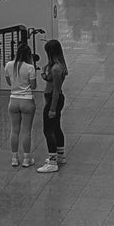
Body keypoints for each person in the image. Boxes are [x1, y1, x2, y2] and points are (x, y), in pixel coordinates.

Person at [3, 31, 39, 168]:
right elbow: (34, 86)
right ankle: (26, 159)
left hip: (13, 100)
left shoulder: (8, 65)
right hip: (27, 100)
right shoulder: (30, 68)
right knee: (26, 131)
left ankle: (14, 158)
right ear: (28, 55)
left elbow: (9, 82)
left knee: (14, 130)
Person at [38, 38, 67, 173]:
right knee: (56, 127)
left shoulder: (56, 69)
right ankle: (60, 155)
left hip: (53, 99)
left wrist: (52, 108)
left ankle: (52, 161)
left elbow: (55, 90)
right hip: (55, 98)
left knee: (48, 130)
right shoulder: (58, 66)